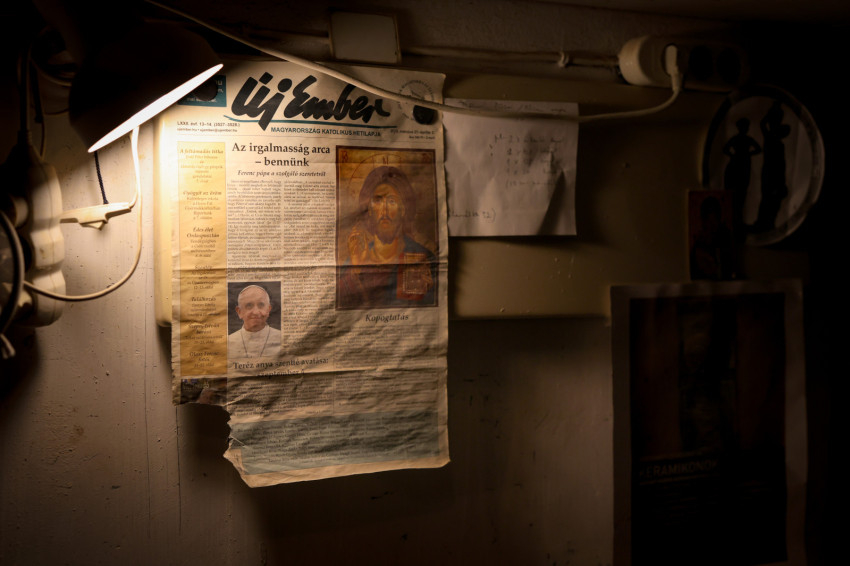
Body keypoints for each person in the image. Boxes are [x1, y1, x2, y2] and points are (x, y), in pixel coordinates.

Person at [338, 166, 436, 308]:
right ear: (369, 210)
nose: (384, 211)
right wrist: (357, 269)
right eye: (378, 201)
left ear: (403, 209)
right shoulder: (353, 262)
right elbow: (344, 305)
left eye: (391, 201)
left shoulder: (423, 257)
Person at [227, 284, 280, 358]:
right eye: (249, 305)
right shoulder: (228, 342)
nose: (256, 312)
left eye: (261, 305)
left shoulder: (281, 338)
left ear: (268, 310)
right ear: (239, 312)